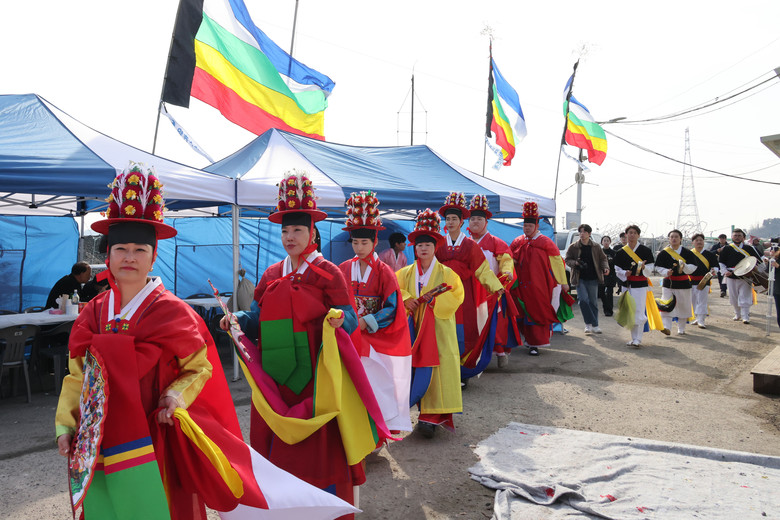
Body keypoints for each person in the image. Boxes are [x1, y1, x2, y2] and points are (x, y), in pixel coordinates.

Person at [54, 164, 354, 519]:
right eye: (121, 248)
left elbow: (198, 367)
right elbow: (78, 374)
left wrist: (174, 396)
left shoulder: (172, 311)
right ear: (108, 256)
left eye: (139, 249)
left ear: (153, 255)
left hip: (161, 428)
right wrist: (67, 423)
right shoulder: (94, 311)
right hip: (104, 432)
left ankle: (309, 502)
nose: (130, 257)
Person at [222, 171, 390, 516]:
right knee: (278, 446)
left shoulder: (329, 272)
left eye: (297, 230)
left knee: (320, 447)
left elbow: (351, 318)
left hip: (317, 378)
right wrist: (236, 319)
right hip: (276, 378)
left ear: (312, 233)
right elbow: (257, 318)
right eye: (285, 231)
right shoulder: (271, 274)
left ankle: (325, 508)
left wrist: (340, 320)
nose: (290, 237)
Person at [338, 191, 413, 433]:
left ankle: (377, 431)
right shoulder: (343, 269)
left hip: (375, 336)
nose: (359, 247)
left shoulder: (384, 271)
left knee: (377, 385)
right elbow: (336, 300)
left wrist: (367, 321)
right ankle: (355, 431)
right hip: (350, 335)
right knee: (352, 384)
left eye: (364, 243)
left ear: (374, 243)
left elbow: (393, 307)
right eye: (355, 242)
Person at [396, 209, 464, 438]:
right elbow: (395, 289)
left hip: (438, 329)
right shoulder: (405, 273)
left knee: (438, 368)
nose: (423, 248)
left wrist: (434, 302)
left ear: (435, 248)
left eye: (427, 245)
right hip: (414, 327)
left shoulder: (447, 273)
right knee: (414, 368)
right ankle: (416, 409)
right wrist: (407, 299)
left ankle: (431, 416)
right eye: (419, 245)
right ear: (414, 248)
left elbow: (457, 295)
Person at [435, 192, 503, 378]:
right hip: (442, 294)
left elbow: (483, 269)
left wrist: (496, 287)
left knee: (465, 330)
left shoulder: (471, 246)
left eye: (454, 219)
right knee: (442, 330)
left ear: (461, 222)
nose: (450, 222)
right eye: (448, 219)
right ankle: (443, 370)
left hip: (464, 294)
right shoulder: (438, 244)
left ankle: (462, 371)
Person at [509, 202, 568, 356]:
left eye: (530, 226)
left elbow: (557, 263)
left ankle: (535, 343)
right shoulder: (518, 241)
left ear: (536, 226)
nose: (527, 228)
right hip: (521, 285)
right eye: (525, 226)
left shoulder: (546, 243)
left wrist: (563, 282)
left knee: (537, 311)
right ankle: (527, 340)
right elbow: (509, 259)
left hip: (539, 285)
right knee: (522, 311)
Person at [467, 194, 515, 368]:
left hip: (490, 289)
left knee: (495, 323)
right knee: (472, 324)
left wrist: (507, 271)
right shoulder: (465, 242)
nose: (475, 222)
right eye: (472, 219)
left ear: (486, 222)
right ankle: (472, 357)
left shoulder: (496, 242)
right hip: (469, 290)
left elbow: (506, 260)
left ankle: (500, 353)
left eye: (479, 219)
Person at [613, 224, 665, 347]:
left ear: (638, 235)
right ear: (626, 235)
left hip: (641, 285)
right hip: (627, 285)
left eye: (634, 233)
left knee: (639, 310)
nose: (632, 235)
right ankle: (633, 338)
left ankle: (638, 339)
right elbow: (617, 269)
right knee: (630, 311)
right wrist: (624, 273)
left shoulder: (645, 250)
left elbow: (651, 268)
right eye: (630, 233)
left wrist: (644, 267)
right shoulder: (621, 252)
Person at [565, 224, 609, 334]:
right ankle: (588, 324)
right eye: (580, 232)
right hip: (579, 278)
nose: (582, 234)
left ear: (589, 234)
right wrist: (575, 263)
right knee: (583, 300)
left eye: (584, 232)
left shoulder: (596, 246)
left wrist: (605, 268)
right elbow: (567, 260)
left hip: (593, 277)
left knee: (593, 302)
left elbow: (603, 259)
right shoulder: (573, 246)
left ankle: (595, 325)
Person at [654, 229, 697, 335]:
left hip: (683, 283)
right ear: (669, 239)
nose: (674, 239)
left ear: (680, 239)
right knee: (667, 304)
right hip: (668, 283)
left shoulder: (687, 252)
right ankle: (666, 327)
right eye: (672, 237)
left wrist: (684, 266)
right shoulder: (664, 253)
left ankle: (681, 329)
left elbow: (693, 267)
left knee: (683, 306)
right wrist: (666, 272)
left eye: (676, 237)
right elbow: (658, 267)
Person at [719, 228, 762, 324]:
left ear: (743, 237)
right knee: (733, 297)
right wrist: (725, 271)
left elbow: (758, 261)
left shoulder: (749, 248)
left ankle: (745, 316)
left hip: (745, 276)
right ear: (731, 237)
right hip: (731, 276)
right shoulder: (726, 248)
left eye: (739, 236)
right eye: (735, 235)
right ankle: (737, 313)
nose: (737, 237)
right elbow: (721, 262)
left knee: (745, 296)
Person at [689, 233, 719, 329]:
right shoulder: (689, 254)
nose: (699, 242)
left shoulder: (710, 254)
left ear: (704, 242)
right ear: (693, 242)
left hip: (704, 280)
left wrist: (714, 271)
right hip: (690, 280)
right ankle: (697, 317)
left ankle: (701, 320)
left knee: (702, 301)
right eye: (697, 240)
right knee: (693, 301)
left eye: (701, 240)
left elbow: (716, 267)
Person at [598, 235, 617, 316]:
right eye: (604, 240)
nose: (606, 242)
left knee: (609, 293)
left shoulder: (614, 253)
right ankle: (605, 308)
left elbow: (616, 264)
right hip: (601, 276)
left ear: (610, 242)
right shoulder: (599, 252)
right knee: (602, 293)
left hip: (611, 275)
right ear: (601, 242)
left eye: (607, 240)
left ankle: (609, 310)